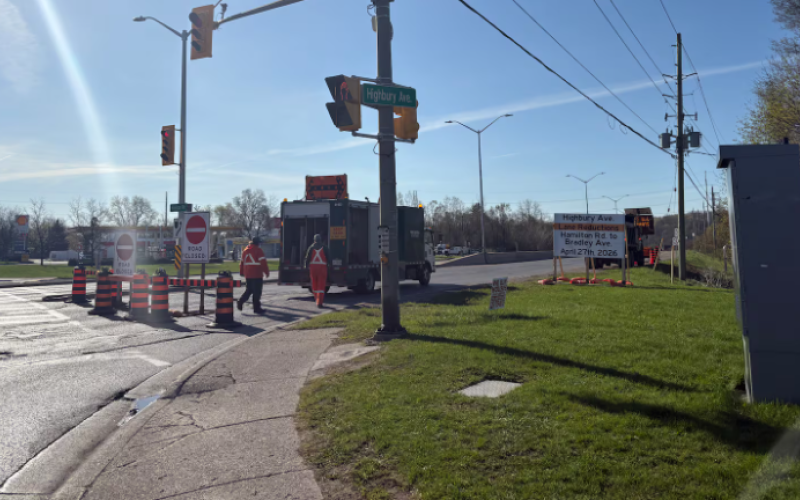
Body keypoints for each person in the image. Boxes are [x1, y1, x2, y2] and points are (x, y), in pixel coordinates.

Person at [238, 236, 270, 313]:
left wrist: (241, 272)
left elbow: (241, 263)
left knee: (249, 290)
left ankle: (241, 300)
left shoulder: (245, 251)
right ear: (257, 243)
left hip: (248, 275)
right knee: (257, 292)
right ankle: (256, 308)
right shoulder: (258, 250)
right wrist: (266, 272)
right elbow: (263, 263)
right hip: (257, 274)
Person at [305, 234, 330, 308]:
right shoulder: (325, 247)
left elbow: (307, 258)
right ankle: (320, 302)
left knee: (314, 285)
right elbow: (329, 257)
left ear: (314, 240)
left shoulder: (311, 247)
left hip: (313, 268)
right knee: (321, 286)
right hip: (322, 269)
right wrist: (330, 265)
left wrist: (305, 266)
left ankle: (316, 300)